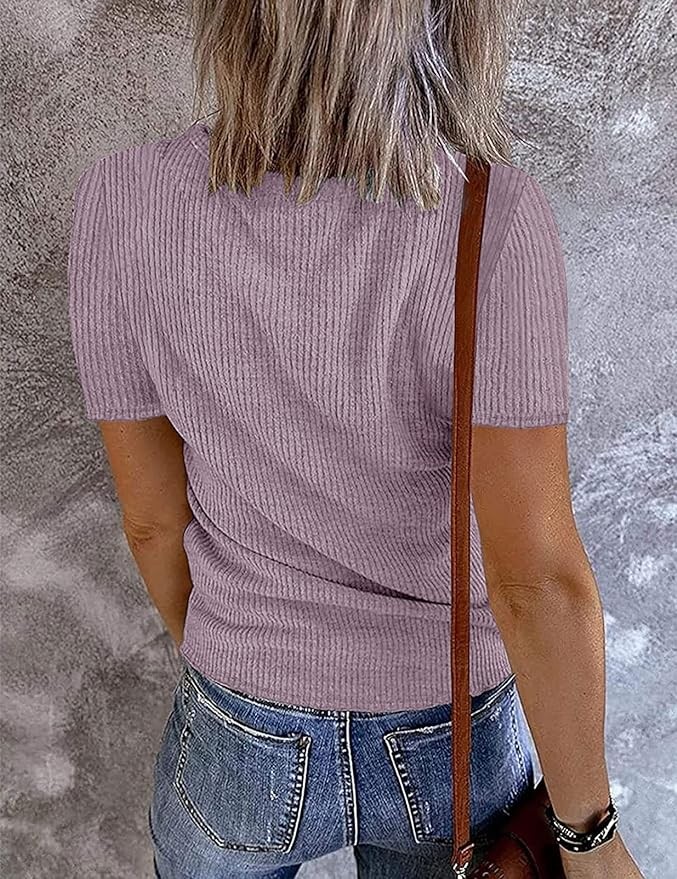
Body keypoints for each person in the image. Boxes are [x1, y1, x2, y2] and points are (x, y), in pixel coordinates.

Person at [67, 2, 645, 878]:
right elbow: (532, 580)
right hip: (449, 736)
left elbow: (151, 523)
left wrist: (248, 666)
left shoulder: (120, 201)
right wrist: (591, 842)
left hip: (239, 724)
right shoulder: (490, 217)